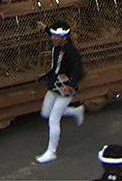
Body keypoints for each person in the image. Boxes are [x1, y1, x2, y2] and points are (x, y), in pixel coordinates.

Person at [35, 20, 85, 164]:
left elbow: (78, 71)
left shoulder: (71, 52)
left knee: (53, 119)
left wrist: (72, 84)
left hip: (66, 86)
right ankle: (75, 111)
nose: (52, 38)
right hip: (54, 82)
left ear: (64, 38)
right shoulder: (57, 45)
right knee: (45, 112)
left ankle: (51, 151)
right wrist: (45, 28)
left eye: (55, 37)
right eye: (52, 36)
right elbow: (51, 31)